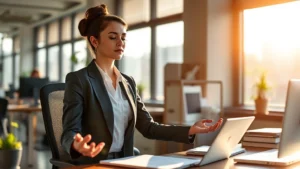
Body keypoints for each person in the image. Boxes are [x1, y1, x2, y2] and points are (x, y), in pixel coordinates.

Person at [61, 4, 223, 165]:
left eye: (123, 38)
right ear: (95, 41)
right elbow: (70, 131)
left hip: (125, 161)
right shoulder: (79, 79)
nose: (120, 43)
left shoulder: (128, 82)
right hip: (93, 163)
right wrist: (77, 144)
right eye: (112, 37)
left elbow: (149, 127)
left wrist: (190, 129)